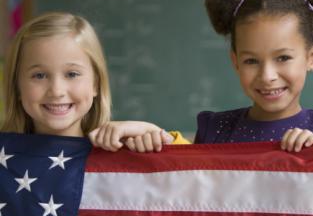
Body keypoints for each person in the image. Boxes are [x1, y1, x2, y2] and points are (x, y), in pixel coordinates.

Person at [197, 0, 313, 149]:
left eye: (283, 58)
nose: (267, 76)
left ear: (312, 57)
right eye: (251, 61)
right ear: (235, 61)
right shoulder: (213, 131)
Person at [1, 12, 186, 150]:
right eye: (39, 75)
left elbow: (198, 176)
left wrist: (155, 133)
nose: (57, 91)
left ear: (96, 84)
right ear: (16, 85)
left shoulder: (124, 152)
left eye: (72, 74)